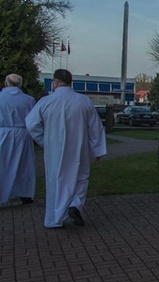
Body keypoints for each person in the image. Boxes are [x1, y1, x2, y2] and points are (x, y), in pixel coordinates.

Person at [25, 69, 106, 228]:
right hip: (79, 147)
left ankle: (55, 218)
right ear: (70, 82)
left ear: (55, 82)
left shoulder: (46, 101)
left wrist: (44, 140)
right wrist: (97, 150)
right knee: (81, 178)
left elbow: (31, 124)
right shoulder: (83, 101)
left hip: (54, 148)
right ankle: (75, 205)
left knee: (56, 180)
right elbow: (95, 127)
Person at [0, 74, 36, 205]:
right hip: (23, 134)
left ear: (6, 83)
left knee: (3, 164)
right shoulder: (29, 100)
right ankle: (25, 193)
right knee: (24, 165)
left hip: (3, 133)